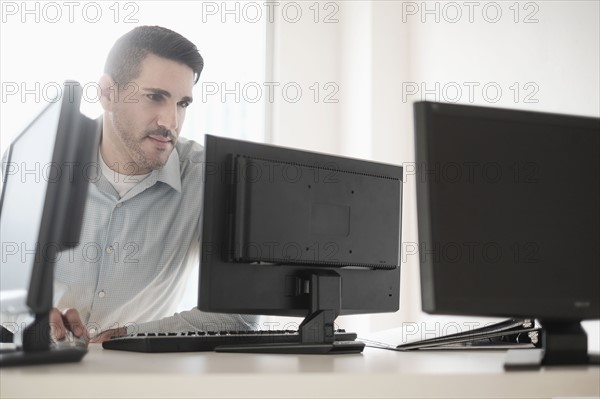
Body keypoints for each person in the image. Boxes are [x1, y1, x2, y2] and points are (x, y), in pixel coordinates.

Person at [48, 26, 255, 343]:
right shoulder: (42, 161)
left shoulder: (208, 177)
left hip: (142, 378)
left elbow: (239, 312)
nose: (170, 121)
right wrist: (22, 313)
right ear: (107, 94)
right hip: (37, 374)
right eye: (155, 97)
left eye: (182, 103)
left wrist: (134, 336)